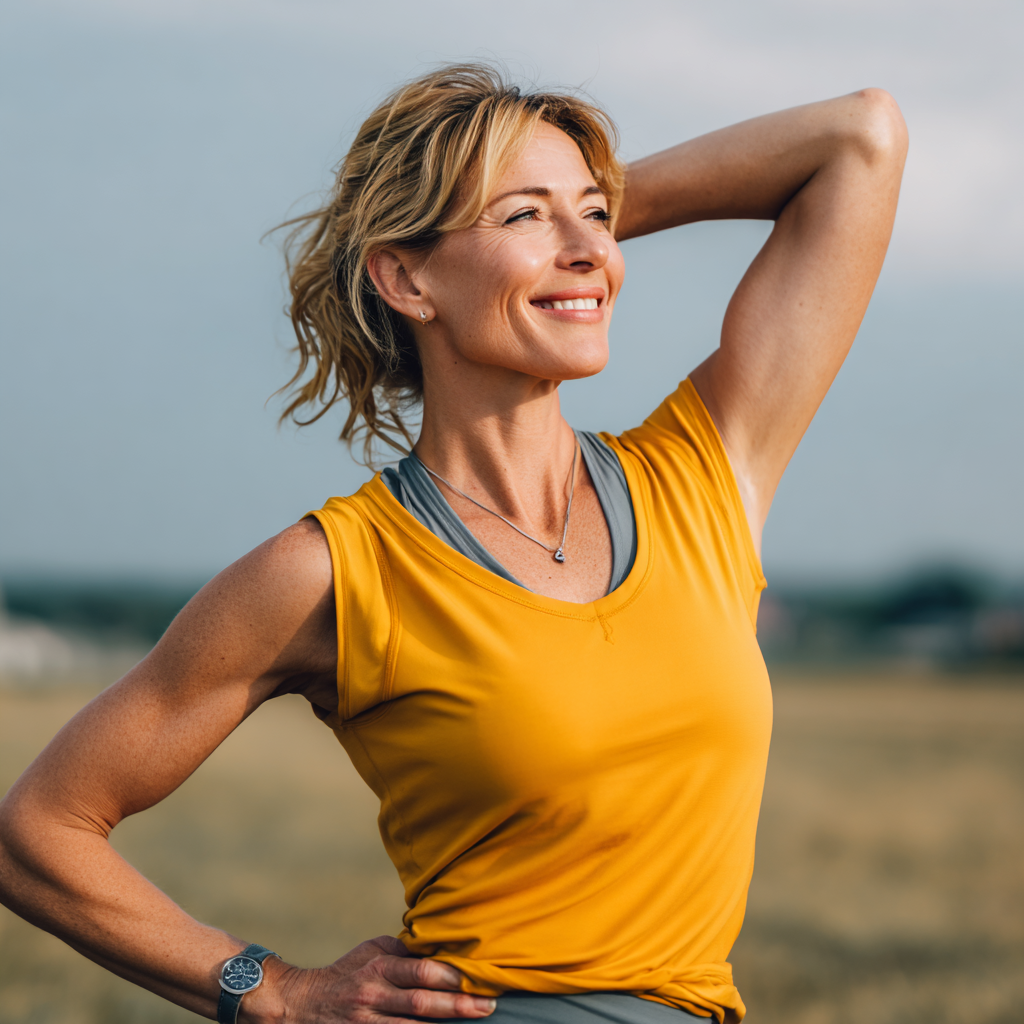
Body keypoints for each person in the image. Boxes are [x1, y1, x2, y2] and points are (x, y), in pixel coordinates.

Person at [0, 63, 906, 1024]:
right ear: (404, 277)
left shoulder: (707, 474)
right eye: (522, 216)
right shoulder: (333, 573)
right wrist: (263, 989)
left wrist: (562, 237)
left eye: (594, 214)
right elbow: (37, 829)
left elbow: (861, 139)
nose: (588, 248)